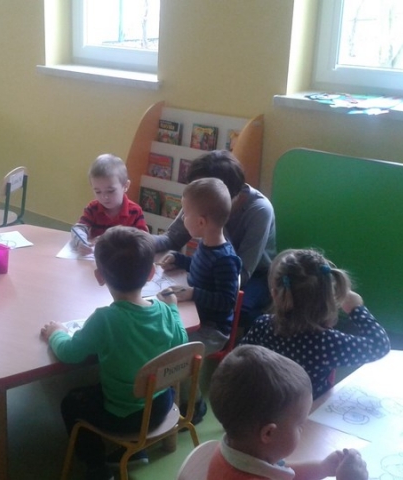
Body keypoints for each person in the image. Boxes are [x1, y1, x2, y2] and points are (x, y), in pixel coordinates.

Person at [40, 226, 187, 480]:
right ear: (151, 274)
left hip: (125, 418)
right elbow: (182, 343)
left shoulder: (105, 319)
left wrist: (56, 333)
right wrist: (173, 308)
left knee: (71, 402)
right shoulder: (164, 312)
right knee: (134, 379)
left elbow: (69, 353)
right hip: (161, 405)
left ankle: (97, 468)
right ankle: (137, 451)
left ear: (99, 277)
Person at [240, 249, 391, 398]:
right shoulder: (327, 343)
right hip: (310, 409)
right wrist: (356, 309)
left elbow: (240, 357)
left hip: (267, 405)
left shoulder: (262, 326)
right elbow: (380, 345)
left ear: (275, 294)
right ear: (331, 296)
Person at [152, 150, 276, 328]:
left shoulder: (260, 210)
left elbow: (242, 274)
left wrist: (195, 291)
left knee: (242, 311)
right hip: (218, 267)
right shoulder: (199, 201)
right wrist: (140, 241)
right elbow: (172, 238)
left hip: (254, 274)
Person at [206, 344, 368, 480]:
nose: (303, 429)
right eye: (300, 425)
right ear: (268, 433)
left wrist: (322, 468)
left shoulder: (238, 451)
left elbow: (279, 471)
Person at [159, 177, 242, 423]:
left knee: (180, 353)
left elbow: (227, 301)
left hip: (213, 330)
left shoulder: (226, 259)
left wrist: (194, 294)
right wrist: (179, 259)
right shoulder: (206, 245)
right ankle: (169, 394)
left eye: (185, 214)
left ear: (201, 222)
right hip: (197, 316)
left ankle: (194, 407)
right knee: (165, 335)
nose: (182, 218)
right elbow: (199, 269)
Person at [70, 154, 148, 251]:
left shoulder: (135, 211)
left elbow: (144, 240)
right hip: (96, 258)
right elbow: (78, 229)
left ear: (125, 186)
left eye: (110, 191)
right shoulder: (93, 208)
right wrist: (81, 242)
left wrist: (112, 241)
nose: (104, 197)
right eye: (98, 192)